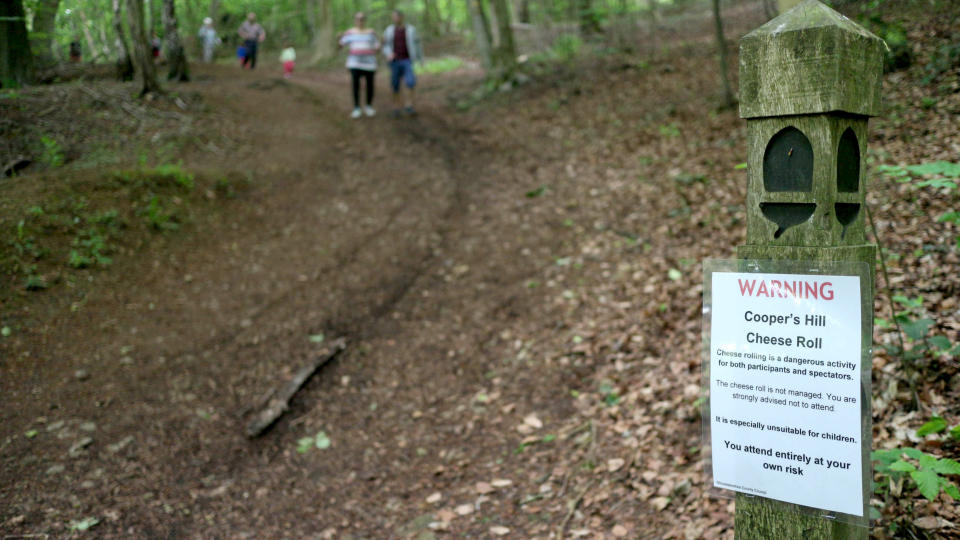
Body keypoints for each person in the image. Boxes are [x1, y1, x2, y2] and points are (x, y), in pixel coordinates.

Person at [338, 12, 380, 119]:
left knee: (370, 85)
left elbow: (377, 46)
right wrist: (339, 38)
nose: (360, 21)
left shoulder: (371, 33)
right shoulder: (350, 33)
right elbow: (341, 45)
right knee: (355, 85)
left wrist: (379, 45)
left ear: (364, 21)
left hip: (369, 64)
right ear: (355, 21)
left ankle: (368, 106)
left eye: (362, 19)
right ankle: (356, 108)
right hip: (354, 63)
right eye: (358, 19)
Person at [382, 10, 423, 116]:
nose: (395, 19)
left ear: (401, 17)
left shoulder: (411, 30)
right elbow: (385, 45)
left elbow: (418, 44)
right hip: (394, 61)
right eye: (393, 17)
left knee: (410, 82)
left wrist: (421, 59)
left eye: (396, 17)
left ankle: (409, 106)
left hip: (407, 60)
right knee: (395, 84)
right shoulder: (389, 30)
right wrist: (389, 54)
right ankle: (396, 108)